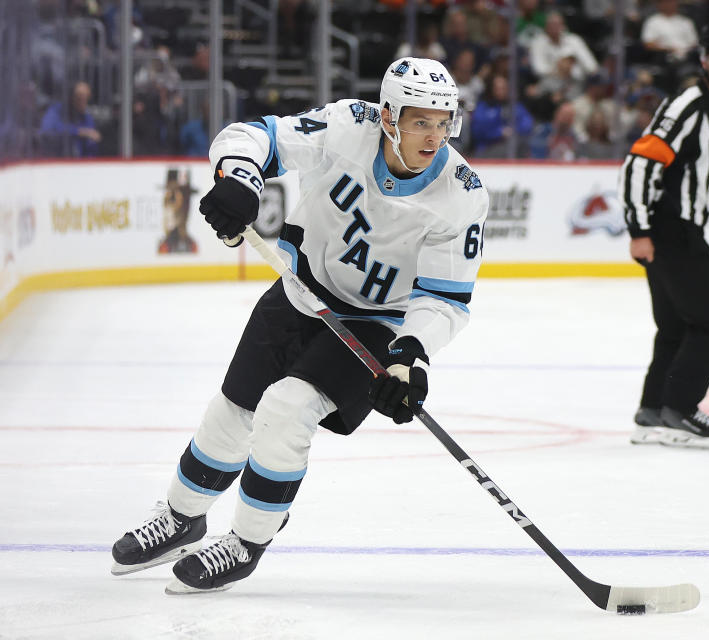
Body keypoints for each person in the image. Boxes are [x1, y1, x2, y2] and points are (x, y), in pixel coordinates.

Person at [109, 58, 489, 593]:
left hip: (375, 325)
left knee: (287, 409)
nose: (434, 136)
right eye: (419, 121)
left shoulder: (463, 193)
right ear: (387, 116)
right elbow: (251, 137)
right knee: (233, 410)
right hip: (300, 290)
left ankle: (247, 540)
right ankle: (182, 516)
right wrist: (239, 180)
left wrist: (411, 354)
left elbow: (445, 298)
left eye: (443, 122)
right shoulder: (346, 126)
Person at [617, 21, 709, 450]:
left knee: (676, 326)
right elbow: (640, 163)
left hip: (684, 227)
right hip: (669, 229)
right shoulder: (689, 104)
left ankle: (654, 409)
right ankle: (680, 409)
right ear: (704, 61)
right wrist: (639, 229)